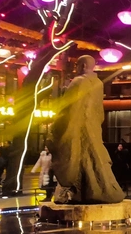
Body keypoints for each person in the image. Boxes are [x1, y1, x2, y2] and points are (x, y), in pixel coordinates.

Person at [50, 55, 124, 204]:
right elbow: (99, 111)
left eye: (77, 65)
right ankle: (97, 190)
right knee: (94, 157)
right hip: (93, 127)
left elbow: (68, 109)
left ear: (83, 66)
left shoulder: (78, 82)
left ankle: (77, 192)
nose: (76, 68)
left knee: (76, 157)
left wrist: (56, 127)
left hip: (78, 127)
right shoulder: (98, 83)